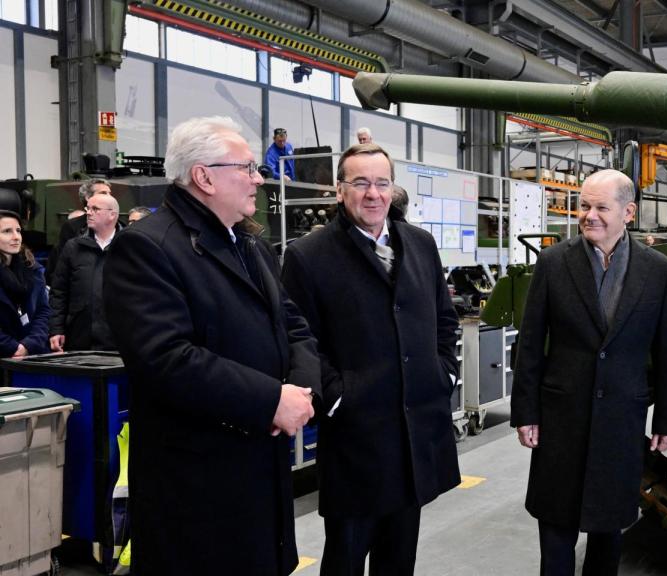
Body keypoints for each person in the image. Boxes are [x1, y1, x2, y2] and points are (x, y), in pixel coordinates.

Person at [103, 116, 319, 576]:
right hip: (198, 486)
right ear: (204, 176)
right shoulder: (148, 248)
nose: (258, 178)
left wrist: (300, 391)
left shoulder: (248, 245)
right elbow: (166, 359)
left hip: (260, 467)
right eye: (246, 167)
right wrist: (269, 400)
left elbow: (293, 323)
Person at [281, 143, 460, 576]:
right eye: (360, 183)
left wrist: (445, 371)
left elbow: (444, 318)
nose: (372, 194)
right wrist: (339, 396)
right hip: (357, 437)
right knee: (345, 554)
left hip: (414, 431)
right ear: (339, 190)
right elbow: (298, 338)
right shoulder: (309, 255)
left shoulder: (419, 244)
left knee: (399, 558)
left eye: (381, 183)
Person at [511, 169, 667, 576]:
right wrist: (526, 413)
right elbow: (532, 343)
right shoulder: (554, 262)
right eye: (584, 206)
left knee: (609, 531)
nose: (589, 215)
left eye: (601, 207)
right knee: (555, 527)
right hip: (560, 417)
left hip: (621, 418)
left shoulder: (657, 270)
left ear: (629, 212)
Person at [49, 193, 122, 352]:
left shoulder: (129, 247)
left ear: (112, 215)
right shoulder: (73, 247)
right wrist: (56, 329)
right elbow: (59, 292)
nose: (88, 213)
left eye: (95, 209)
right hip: (79, 337)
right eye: (88, 208)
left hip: (119, 339)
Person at [0, 211, 50, 358]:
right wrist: (12, 347)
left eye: (18, 231)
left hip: (31, 356)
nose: (16, 237)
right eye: (7, 231)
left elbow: (43, 311)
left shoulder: (32, 269)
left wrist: (29, 345)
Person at [48, 178, 110, 284]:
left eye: (109, 193)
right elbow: (63, 264)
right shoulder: (73, 226)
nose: (109, 197)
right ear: (88, 197)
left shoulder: (118, 225)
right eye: (103, 193)